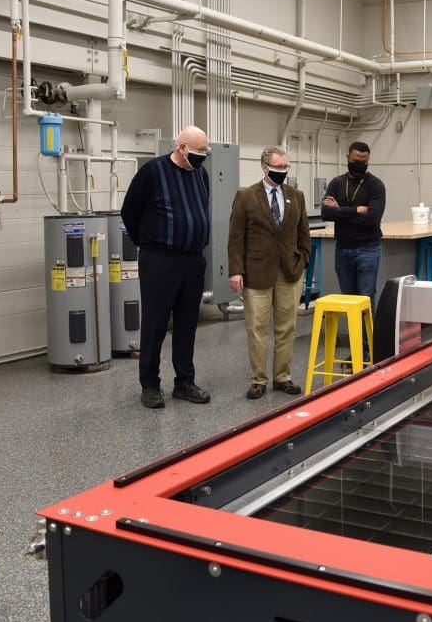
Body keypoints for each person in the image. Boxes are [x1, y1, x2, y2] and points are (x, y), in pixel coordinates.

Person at [121, 125, 212, 409]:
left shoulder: (201, 174)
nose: (201, 157)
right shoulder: (153, 172)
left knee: (187, 324)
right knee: (155, 324)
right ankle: (150, 384)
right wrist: (150, 244)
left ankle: (184, 381)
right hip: (160, 259)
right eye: (197, 152)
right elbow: (129, 211)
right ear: (181, 147)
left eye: (204, 152)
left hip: (193, 260)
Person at [227, 146, 311, 399]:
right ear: (264, 167)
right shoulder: (246, 196)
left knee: (287, 327)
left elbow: (303, 231)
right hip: (256, 271)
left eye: (286, 167)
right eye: (277, 168)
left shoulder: (296, 196)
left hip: (289, 271)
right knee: (257, 327)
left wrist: (303, 259)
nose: (282, 172)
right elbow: (235, 237)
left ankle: (282, 377)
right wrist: (235, 271)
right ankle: (258, 379)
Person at [321, 141, 386, 309]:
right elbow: (326, 213)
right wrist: (357, 210)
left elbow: (372, 220)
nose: (360, 164)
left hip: (368, 249)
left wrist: (340, 211)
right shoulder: (337, 183)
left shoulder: (375, 185)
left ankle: (368, 336)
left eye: (364, 162)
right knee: (348, 300)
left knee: (366, 298)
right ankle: (353, 335)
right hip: (342, 249)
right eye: (356, 160)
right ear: (347, 158)